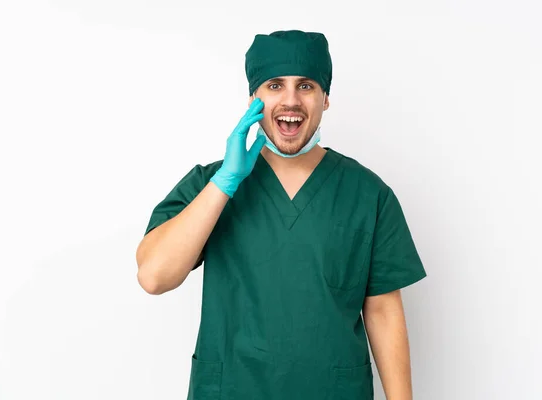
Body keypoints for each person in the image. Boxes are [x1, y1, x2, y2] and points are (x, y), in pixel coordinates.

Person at [136, 30, 427, 400]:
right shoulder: (208, 184)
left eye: (306, 86)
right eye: (274, 85)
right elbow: (154, 276)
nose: (291, 100)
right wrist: (225, 182)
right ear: (252, 99)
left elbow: (384, 310)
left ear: (326, 98)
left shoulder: (368, 194)